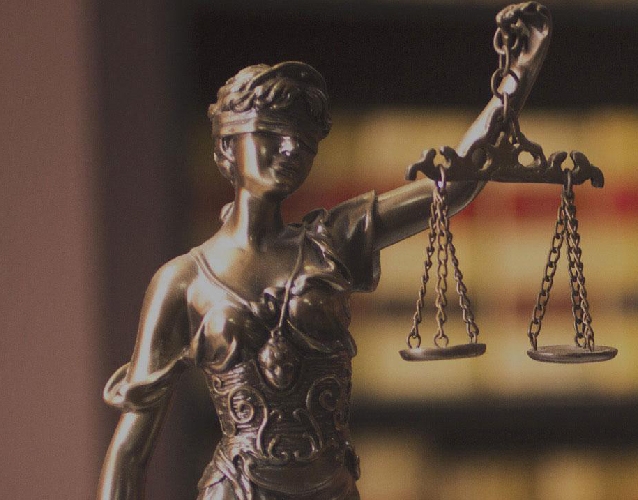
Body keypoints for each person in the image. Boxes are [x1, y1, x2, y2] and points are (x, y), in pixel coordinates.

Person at [97, 4, 552, 498]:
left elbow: (454, 187)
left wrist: (516, 79)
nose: (290, 150)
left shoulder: (331, 242)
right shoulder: (183, 282)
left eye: (303, 141)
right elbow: (130, 450)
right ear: (226, 147)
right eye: (271, 134)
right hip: (240, 489)